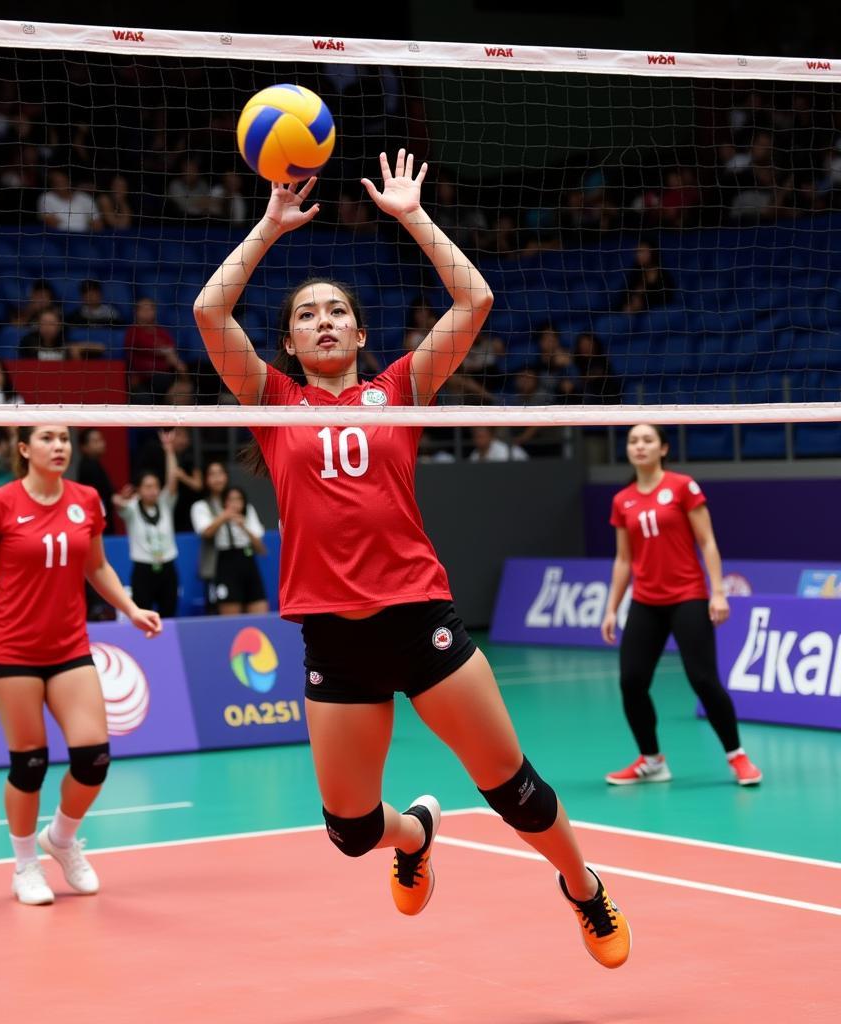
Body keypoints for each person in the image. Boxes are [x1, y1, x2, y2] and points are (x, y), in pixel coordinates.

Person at [192, 151, 631, 968]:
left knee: (513, 787)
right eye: (306, 315)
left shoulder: (400, 389)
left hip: (418, 617)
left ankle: (582, 887)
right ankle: (417, 833)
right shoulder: (272, 404)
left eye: (336, 312)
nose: (323, 321)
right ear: (288, 341)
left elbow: (476, 298)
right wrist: (268, 226)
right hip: (334, 636)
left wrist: (411, 216)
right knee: (351, 830)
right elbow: (210, 315)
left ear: (359, 332)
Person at [0, 425, 162, 906]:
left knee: (93, 757)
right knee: (30, 763)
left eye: (64, 438)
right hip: (12, 650)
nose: (59, 446)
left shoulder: (86, 499)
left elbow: (97, 567)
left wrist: (131, 607)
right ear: (24, 449)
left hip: (69, 648)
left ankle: (60, 839)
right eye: (46, 438)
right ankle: (24, 866)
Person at [601, 424, 763, 788]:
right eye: (633, 441)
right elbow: (623, 560)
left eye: (647, 440)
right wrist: (612, 608)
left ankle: (737, 756)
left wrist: (717, 591)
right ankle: (652, 760)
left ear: (663, 448)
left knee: (703, 679)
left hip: (687, 596)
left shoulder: (682, 486)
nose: (639, 446)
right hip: (645, 601)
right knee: (631, 681)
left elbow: (707, 542)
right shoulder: (622, 500)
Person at [114, 432, 180, 619]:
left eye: (156, 486)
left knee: (169, 615)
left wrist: (169, 451)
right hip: (143, 570)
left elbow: (173, 481)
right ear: (139, 489)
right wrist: (122, 499)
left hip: (167, 568)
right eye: (147, 486)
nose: (153, 491)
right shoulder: (133, 508)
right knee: (143, 616)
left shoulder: (165, 503)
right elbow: (119, 504)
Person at [192, 481, 268, 616]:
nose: (235, 503)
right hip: (225, 563)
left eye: (238, 499)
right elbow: (206, 533)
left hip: (248, 561)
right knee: (230, 616)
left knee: (260, 610)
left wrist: (244, 526)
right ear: (224, 502)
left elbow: (262, 550)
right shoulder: (212, 511)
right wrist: (224, 516)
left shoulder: (248, 512)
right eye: (230, 499)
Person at [37, 169, 102, 233]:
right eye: (56, 183)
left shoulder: (84, 197)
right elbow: (49, 221)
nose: (60, 185)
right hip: (58, 235)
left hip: (84, 236)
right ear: (51, 185)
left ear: (69, 181)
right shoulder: (47, 198)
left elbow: (97, 222)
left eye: (62, 181)